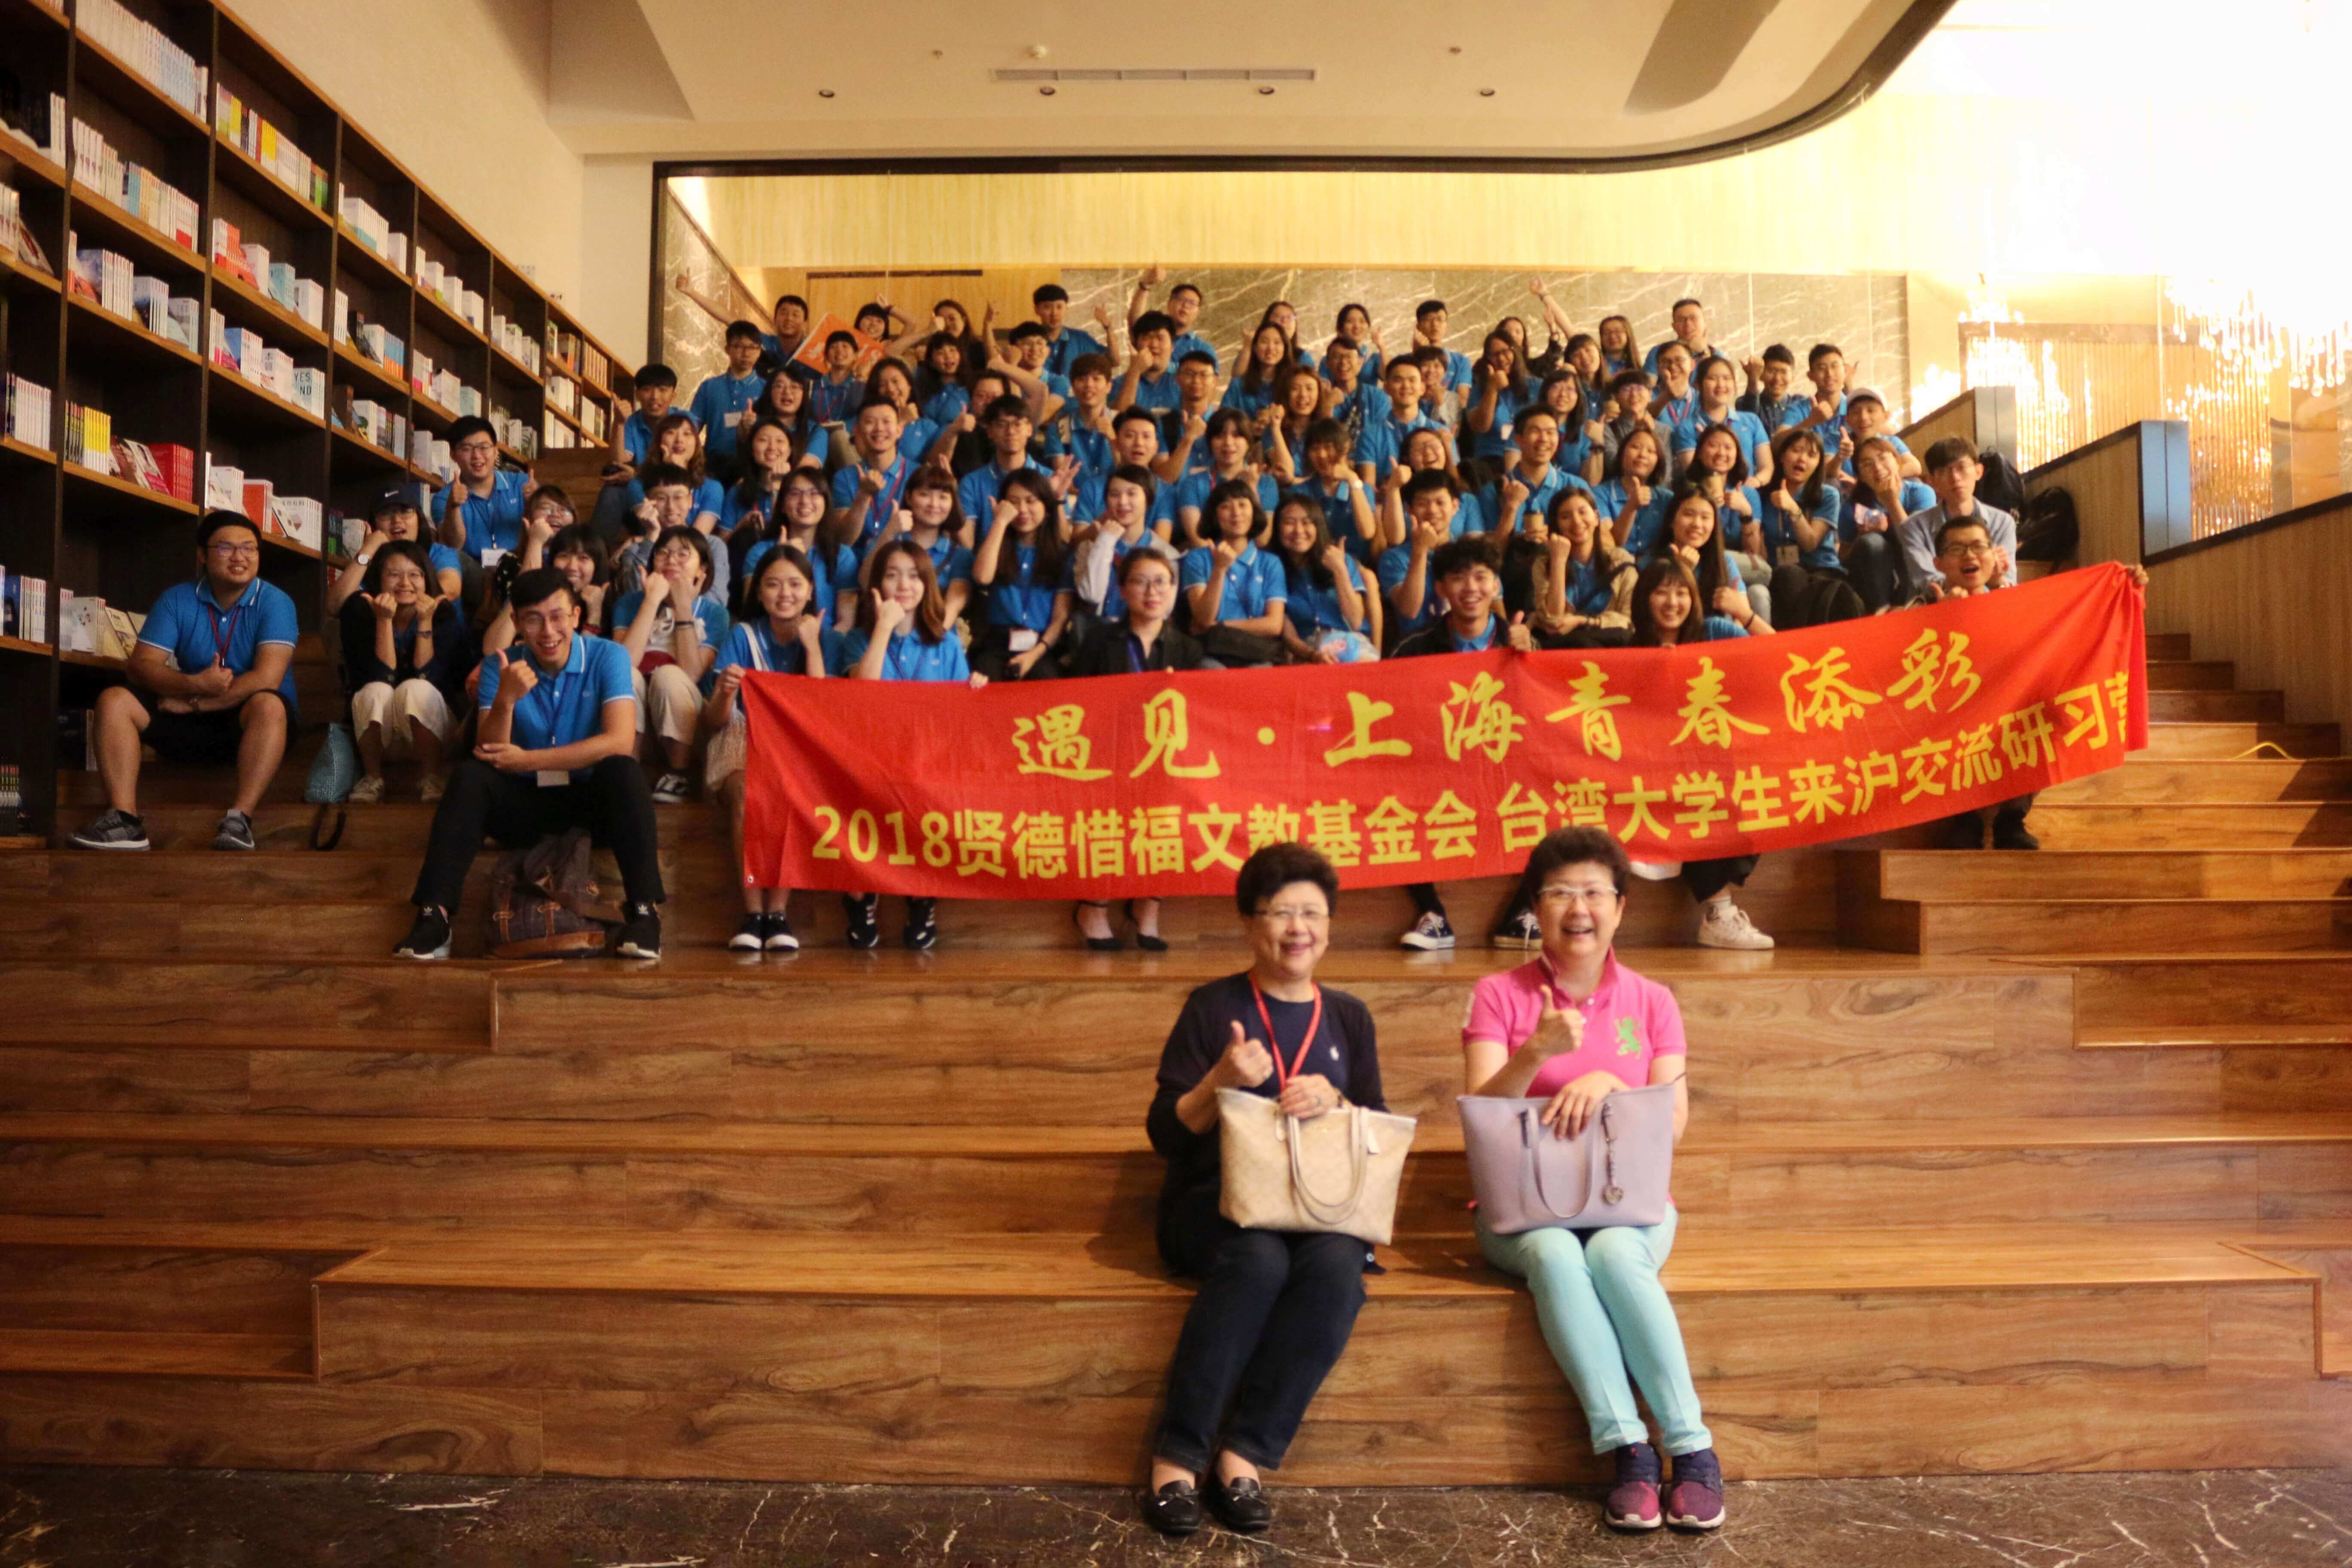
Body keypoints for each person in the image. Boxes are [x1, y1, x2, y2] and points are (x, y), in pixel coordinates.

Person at [1461, 825, 1722, 1534]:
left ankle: (1691, 1449)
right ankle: (1629, 1451)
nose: (1578, 908)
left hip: (1627, 1200)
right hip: (1519, 1207)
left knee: (1612, 1252)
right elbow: (1481, 1113)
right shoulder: (1497, 994)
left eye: (1594, 893)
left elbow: (1672, 1124)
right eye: (1559, 893)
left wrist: (1610, 1084)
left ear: (1620, 907)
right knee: (1553, 1251)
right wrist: (1535, 1053)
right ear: (1535, 908)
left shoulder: (1653, 1001)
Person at [1142, 842, 1384, 1539]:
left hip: (1316, 1205)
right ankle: (1177, 1458)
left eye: (1312, 912)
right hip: (1213, 1203)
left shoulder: (1348, 1016)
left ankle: (1243, 1452)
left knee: (1337, 1270)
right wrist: (1218, 1082)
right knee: (1257, 1260)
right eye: (1281, 912)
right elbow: (1165, 1134)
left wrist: (1338, 1100)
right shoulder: (1213, 1006)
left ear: (1330, 926)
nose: (1298, 927)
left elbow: (1375, 1126)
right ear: (1251, 924)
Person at [396, 566, 663, 962]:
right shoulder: (500, 665)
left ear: (576, 616)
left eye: (558, 617)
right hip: (524, 805)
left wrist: (528, 761)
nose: (548, 631)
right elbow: (489, 750)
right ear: (518, 623)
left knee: (624, 771)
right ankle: (434, 917)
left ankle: (644, 912)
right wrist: (505, 699)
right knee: (470, 777)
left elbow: (619, 741)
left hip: (589, 805)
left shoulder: (608, 656)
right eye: (534, 620)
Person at [70, 511, 297, 852]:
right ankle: (125, 821)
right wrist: (195, 684)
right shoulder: (178, 599)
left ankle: (240, 820)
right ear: (203, 555)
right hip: (190, 717)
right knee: (115, 699)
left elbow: (267, 677)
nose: (239, 557)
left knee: (269, 703)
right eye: (226, 548)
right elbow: (141, 667)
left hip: (250, 724)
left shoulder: (276, 602)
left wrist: (196, 703)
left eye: (249, 548)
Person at [1389, 536, 1538, 951]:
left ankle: (1522, 913)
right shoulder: (1415, 648)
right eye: (1458, 578)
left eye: (1481, 577)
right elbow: (1392, 712)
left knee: (1559, 795)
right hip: (1439, 769)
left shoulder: (1520, 643)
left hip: (1506, 767)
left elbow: (1546, 714)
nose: (1471, 588)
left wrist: (1530, 656)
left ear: (1496, 585)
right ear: (1440, 588)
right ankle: (1433, 915)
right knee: (1394, 800)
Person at [837, 540, 988, 950]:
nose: (904, 585)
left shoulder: (946, 642)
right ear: (877, 584)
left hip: (928, 758)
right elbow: (863, 691)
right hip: (872, 755)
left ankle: (922, 899)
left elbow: (959, 715)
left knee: (931, 795)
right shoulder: (859, 639)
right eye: (892, 575)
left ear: (928, 585)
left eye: (914, 575)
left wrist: (975, 686)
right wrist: (884, 627)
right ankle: (861, 897)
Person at [1626, 557, 1775, 949]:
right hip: (1653, 767)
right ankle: (1719, 912)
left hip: (1713, 759)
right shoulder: (1628, 649)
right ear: (1644, 599)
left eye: (1681, 593)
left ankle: (1720, 912)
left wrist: (1746, 616)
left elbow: (1778, 653)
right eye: (1662, 592)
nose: (1672, 602)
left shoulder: (1714, 631)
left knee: (1738, 790)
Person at [703, 544, 840, 951]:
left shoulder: (827, 638)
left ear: (810, 590)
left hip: (799, 746)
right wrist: (725, 693)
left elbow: (821, 711)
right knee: (746, 796)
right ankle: (753, 913)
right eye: (773, 584)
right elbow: (715, 721)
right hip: (743, 738)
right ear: (759, 592)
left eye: (795, 585)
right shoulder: (743, 635)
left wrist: (812, 647)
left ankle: (778, 913)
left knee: (792, 793)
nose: (785, 594)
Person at [1067, 548, 1199, 952]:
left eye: (1161, 582)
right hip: (1108, 753)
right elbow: (1072, 701)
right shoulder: (1099, 640)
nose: (1152, 591)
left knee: (1168, 818)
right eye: (1140, 582)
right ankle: (1093, 905)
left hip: (1164, 758)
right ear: (1123, 590)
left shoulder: (1187, 648)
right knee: (1105, 821)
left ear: (1174, 589)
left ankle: (1148, 905)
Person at [340, 539, 468, 804]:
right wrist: (384, 620)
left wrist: (425, 621)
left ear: (427, 578)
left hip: (434, 729)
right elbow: (380, 676)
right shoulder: (359, 611)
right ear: (378, 579)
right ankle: (372, 778)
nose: (405, 583)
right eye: (394, 574)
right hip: (381, 731)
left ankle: (432, 777)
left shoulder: (443, 613)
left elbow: (429, 678)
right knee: (376, 690)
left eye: (415, 575)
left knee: (415, 688)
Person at [614, 526, 730, 804]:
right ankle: (629, 771)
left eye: (683, 554)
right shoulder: (629, 603)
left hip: (688, 720)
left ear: (702, 570)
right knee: (627, 674)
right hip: (637, 714)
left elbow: (691, 674)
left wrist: (683, 607)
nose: (671, 560)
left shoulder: (715, 614)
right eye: (663, 553)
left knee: (669, 675)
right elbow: (622, 665)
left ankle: (679, 774)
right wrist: (652, 600)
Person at [970, 469, 1075, 682]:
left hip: (1043, 645)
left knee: (1047, 683)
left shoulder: (1062, 554)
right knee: (985, 684)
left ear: (1046, 507)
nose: (1022, 509)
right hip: (998, 642)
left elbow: (1061, 617)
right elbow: (982, 578)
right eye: (1014, 502)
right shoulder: (995, 544)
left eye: (1031, 501)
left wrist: (1034, 655)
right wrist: (1000, 522)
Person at [1757, 426, 1862, 629]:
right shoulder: (1764, 497)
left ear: (1819, 464)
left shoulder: (1828, 494)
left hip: (1823, 572)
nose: (1802, 459)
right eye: (1796, 450)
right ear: (1782, 457)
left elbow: (1811, 543)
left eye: (1812, 455)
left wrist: (1793, 508)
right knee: (1787, 575)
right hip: (1781, 576)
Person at [1181, 480, 1288, 667]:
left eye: (1242, 505)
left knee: (1260, 674)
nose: (1236, 513)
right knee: (1211, 671)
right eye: (1226, 507)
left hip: (1257, 652)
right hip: (1212, 652)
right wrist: (1219, 569)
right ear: (1215, 515)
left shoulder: (1270, 563)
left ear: (1254, 512)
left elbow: (1274, 625)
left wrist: (1221, 626)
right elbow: (1204, 619)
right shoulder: (1197, 558)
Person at [1900, 436, 2019, 596]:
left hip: (1992, 602)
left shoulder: (2002, 522)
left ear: (1978, 472)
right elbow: (1926, 582)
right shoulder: (1914, 527)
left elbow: (2008, 579)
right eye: (1944, 471)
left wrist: (1996, 580)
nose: (1955, 478)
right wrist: (1982, 578)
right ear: (1931, 481)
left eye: (1962, 467)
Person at [1679, 425, 1771, 627]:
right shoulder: (1688, 492)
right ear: (1700, 452)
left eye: (1728, 448)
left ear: (1737, 455)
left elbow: (1754, 552)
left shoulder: (1748, 493)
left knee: (1759, 592)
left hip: (1738, 566)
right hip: (1699, 563)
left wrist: (1745, 513)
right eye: (1713, 445)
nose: (1721, 453)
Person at [1271, 494, 1377, 664]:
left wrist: (1340, 570)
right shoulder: (1273, 568)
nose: (1299, 531)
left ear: (1318, 527)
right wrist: (1313, 656)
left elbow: (1355, 621)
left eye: (1307, 522)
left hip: (1350, 641)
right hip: (1306, 649)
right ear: (1277, 528)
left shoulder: (1341, 560)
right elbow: (1289, 634)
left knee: (1364, 667)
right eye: (1290, 522)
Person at [334, 482, 463, 613]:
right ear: (374, 525)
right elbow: (335, 606)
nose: (397, 520)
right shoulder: (369, 562)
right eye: (386, 513)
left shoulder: (439, 553)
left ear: (419, 518)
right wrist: (367, 550)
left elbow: (451, 590)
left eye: (405, 511)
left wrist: (401, 607)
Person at [1841, 436, 1937, 611]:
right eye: (1867, 464)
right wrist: (1862, 536)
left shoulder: (1922, 493)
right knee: (1872, 542)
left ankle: (1909, 602)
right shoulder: (1853, 506)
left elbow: (1921, 544)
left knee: (1904, 535)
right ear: (1860, 476)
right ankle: (1881, 609)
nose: (1878, 468)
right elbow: (1843, 556)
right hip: (1872, 583)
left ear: (1898, 462)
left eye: (1883, 458)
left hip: (1914, 577)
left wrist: (1892, 503)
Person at [1535, 488, 1637, 649]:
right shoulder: (1544, 564)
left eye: (1583, 512)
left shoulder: (1621, 561)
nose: (1577, 522)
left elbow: (1630, 621)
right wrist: (1558, 561)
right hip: (1562, 649)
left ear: (1596, 518)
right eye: (1566, 517)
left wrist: (1583, 622)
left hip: (1611, 647)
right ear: (1556, 525)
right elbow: (1553, 620)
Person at [432, 416, 530, 564]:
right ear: (453, 455)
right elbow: (453, 546)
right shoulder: (444, 498)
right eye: (466, 449)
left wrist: (535, 504)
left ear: (496, 451)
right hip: (473, 571)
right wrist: (453, 507)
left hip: (521, 566)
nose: (477, 456)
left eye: (484, 448)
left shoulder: (522, 485)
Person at [1172, 411, 1279, 545]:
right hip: (1208, 555)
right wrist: (1221, 556)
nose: (1228, 443)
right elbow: (1197, 539)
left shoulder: (1266, 483)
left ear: (1248, 442)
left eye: (1237, 435)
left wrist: (1251, 488)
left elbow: (1262, 540)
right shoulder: (1193, 483)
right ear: (1210, 443)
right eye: (1220, 436)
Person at [1675, 357, 1773, 486]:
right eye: (1713, 378)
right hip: (1708, 495)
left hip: (1747, 492)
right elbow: (1693, 475)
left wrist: (1756, 482)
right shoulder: (1687, 428)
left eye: (1727, 378)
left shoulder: (1751, 421)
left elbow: (1767, 468)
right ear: (1698, 385)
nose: (1721, 385)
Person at [686, 320, 769, 472]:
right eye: (739, 346)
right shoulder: (709, 387)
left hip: (753, 468)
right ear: (727, 349)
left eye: (752, 347)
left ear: (759, 352)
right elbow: (692, 429)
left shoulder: (767, 389)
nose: (746, 353)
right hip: (712, 466)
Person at [1593, 427, 1674, 557]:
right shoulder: (1599, 494)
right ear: (1622, 453)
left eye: (1651, 451)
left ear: (1659, 461)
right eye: (1635, 447)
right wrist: (1631, 507)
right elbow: (1611, 546)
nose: (1643, 455)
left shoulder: (1667, 499)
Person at [1839, 388, 1918, 480]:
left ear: (1886, 416)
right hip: (1849, 489)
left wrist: (1878, 481)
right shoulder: (1839, 442)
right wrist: (1840, 457)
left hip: (1883, 487)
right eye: (1856, 412)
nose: (1863, 418)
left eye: (1871, 411)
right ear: (1847, 419)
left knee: (1914, 481)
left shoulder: (1891, 442)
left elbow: (1914, 466)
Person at [1033, 282, 1105, 380]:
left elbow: (1114, 361)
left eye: (1059, 307)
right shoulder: (1028, 341)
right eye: (1047, 307)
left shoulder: (1080, 339)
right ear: (1037, 310)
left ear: (1066, 308)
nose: (1054, 313)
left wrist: (1108, 327)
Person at [1737, 343, 1809, 436]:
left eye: (1784, 372)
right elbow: (1748, 417)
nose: (1777, 379)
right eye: (1771, 371)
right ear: (1761, 374)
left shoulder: (1800, 403)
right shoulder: (1743, 402)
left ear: (1793, 376)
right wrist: (1753, 379)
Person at [1118, 310, 1183, 413]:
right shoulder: (1120, 383)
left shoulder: (1183, 379)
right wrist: (1135, 372)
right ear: (1136, 346)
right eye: (1147, 338)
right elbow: (1120, 417)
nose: (1154, 345)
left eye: (1160, 338)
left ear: (1172, 347)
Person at [805, 331, 866, 429]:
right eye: (833, 347)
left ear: (856, 355)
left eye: (845, 346)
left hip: (849, 436)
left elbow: (862, 416)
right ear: (826, 357)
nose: (839, 350)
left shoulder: (862, 386)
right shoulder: (813, 387)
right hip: (817, 434)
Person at [1643, 297, 1717, 375]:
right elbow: (1648, 382)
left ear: (1705, 322)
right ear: (1674, 326)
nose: (1688, 324)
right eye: (1681, 320)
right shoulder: (1659, 352)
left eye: (1694, 318)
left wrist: (1704, 353)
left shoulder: (1716, 355)